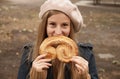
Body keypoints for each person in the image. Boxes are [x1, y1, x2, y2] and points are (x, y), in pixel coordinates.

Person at [17, 0, 98, 79]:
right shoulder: (29, 54)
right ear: (45, 26)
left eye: (64, 25)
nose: (58, 32)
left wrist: (85, 77)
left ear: (71, 28)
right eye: (52, 24)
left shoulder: (85, 55)